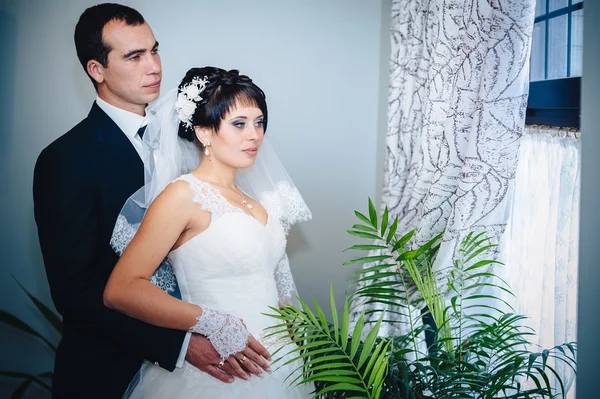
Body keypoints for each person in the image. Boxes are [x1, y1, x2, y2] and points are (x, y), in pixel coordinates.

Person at [33, 5, 264, 398]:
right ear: (96, 69)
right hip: (110, 370)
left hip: (208, 372)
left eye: (154, 50)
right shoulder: (66, 159)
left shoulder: (195, 137)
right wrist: (179, 346)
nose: (154, 66)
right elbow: (74, 292)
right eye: (134, 56)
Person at [103, 66, 313, 398]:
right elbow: (120, 290)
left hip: (280, 366)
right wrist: (212, 323)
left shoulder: (259, 203)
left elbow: (274, 285)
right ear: (204, 133)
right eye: (240, 124)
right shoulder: (182, 195)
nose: (254, 134)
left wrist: (298, 335)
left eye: (259, 122)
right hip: (218, 370)